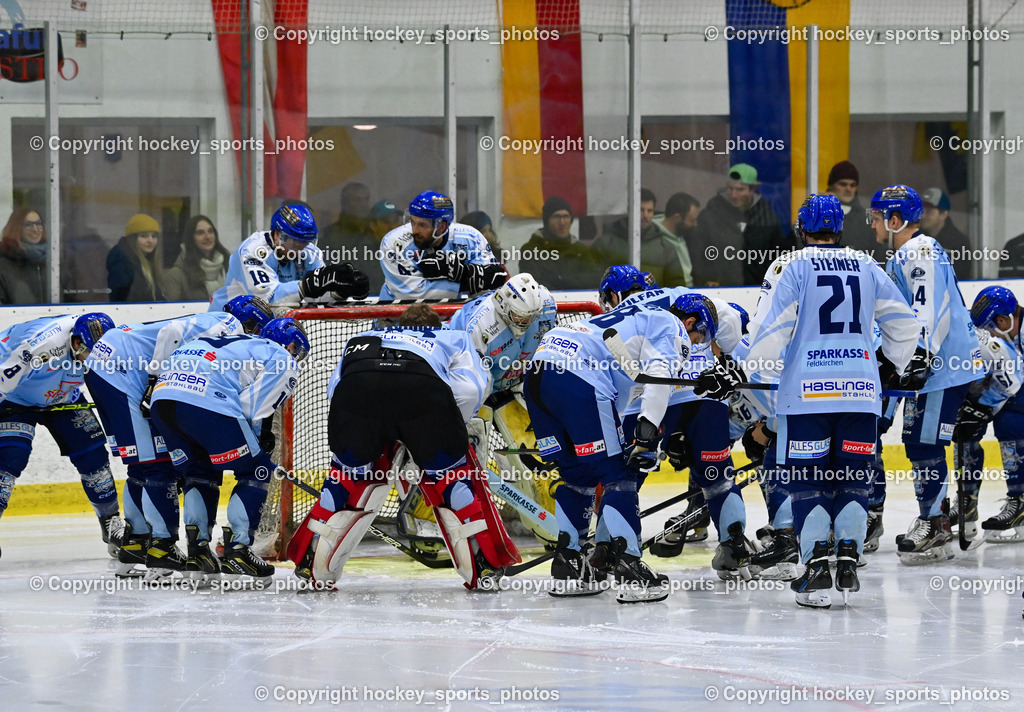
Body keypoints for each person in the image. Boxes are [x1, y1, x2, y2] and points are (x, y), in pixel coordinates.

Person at [745, 194, 920, 607]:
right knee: (853, 478)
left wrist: (759, 377)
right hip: (860, 395)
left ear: (801, 229)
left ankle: (817, 568)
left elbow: (769, 331)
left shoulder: (789, 266)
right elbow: (905, 324)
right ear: (839, 229)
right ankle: (848, 558)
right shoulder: (866, 264)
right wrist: (889, 365)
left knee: (808, 483)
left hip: (807, 397)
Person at [285, 306, 520, 590]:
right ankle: (482, 564)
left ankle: (309, 560)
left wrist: (372, 427)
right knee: (451, 478)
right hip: (422, 392)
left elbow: (336, 389)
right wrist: (448, 425)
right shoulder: (452, 336)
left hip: (357, 393)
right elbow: (472, 390)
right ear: (436, 326)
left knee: (344, 478)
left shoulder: (362, 337)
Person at [523, 294, 726, 602]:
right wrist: (647, 431)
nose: (695, 344)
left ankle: (569, 566)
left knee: (577, 476)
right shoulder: (671, 326)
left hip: (540, 371)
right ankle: (630, 568)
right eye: (699, 337)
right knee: (620, 475)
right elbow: (660, 374)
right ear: (690, 322)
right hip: (580, 376)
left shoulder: (639, 316)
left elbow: (620, 393)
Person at [82, 301, 266, 577]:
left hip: (107, 368)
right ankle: (161, 548)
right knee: (159, 466)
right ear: (250, 324)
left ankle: (135, 543)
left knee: (141, 466)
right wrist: (154, 380)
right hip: (123, 371)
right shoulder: (228, 325)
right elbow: (172, 332)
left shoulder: (216, 327)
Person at [602, 271, 752, 579]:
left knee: (623, 480)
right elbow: (733, 318)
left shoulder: (621, 313)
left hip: (648, 395)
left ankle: (608, 553)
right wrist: (727, 361)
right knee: (718, 476)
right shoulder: (680, 294)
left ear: (613, 295)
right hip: (704, 391)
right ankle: (734, 550)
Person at [868, 184, 981, 565]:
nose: (873, 224)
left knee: (923, 442)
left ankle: (935, 523)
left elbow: (929, 307)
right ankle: (929, 518)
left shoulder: (919, 251)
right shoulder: (907, 253)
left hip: (941, 366)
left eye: (876, 217)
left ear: (895, 220)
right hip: (928, 363)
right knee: (908, 438)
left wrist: (920, 356)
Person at [150, 317, 306, 581]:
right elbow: (251, 408)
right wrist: (255, 447)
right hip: (205, 403)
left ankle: (198, 552)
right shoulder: (281, 356)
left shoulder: (226, 339)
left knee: (199, 473)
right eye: (297, 352)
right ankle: (239, 551)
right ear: (290, 345)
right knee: (256, 469)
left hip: (162, 402)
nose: (296, 358)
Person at [0, 313, 124, 557]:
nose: (95, 361)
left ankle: (111, 523)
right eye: (91, 354)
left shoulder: (103, 343)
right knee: (9, 460)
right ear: (76, 342)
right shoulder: (41, 345)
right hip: (13, 397)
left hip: (65, 395)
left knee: (95, 458)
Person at [954, 287, 1024, 543]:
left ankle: (1020, 501)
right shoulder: (1001, 332)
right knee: (965, 430)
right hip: (1004, 383)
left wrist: (984, 407)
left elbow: (1014, 382)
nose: (987, 334)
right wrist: (975, 406)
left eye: (989, 328)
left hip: (1015, 389)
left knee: (1011, 424)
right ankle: (967, 501)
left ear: (1004, 321)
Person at [209, 202, 369, 312]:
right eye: (295, 242)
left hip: (268, 327)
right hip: (227, 324)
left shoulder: (309, 252)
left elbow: (318, 299)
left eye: (305, 242)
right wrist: (307, 286)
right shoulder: (252, 251)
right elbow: (268, 302)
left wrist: (341, 291)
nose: (300, 250)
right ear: (278, 235)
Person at [378, 191, 505, 300]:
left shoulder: (471, 237)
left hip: (451, 316)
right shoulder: (395, 243)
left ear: (442, 226)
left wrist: (460, 272)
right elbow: (410, 293)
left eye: (422, 225)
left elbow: (490, 284)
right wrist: (466, 279)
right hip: (397, 317)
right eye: (413, 222)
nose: (415, 230)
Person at [691, 163, 790, 287]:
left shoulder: (767, 217)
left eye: (740, 189)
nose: (734, 194)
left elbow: (778, 256)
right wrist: (705, 279)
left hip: (757, 289)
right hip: (718, 290)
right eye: (730, 188)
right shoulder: (710, 215)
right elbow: (698, 253)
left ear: (753, 189)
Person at [592, 189, 689, 288]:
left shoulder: (665, 248)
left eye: (649, 211)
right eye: (641, 210)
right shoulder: (607, 244)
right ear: (630, 210)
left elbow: (676, 285)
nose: (645, 215)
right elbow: (592, 280)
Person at [520, 196, 606, 290]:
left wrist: (561, 279)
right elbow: (531, 285)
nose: (562, 222)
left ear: (571, 220)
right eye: (556, 217)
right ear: (547, 221)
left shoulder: (581, 250)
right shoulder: (531, 250)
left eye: (566, 216)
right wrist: (571, 281)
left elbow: (595, 279)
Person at [163, 215, 231, 302]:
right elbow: (171, 309)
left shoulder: (228, 266)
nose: (207, 237)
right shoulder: (176, 275)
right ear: (191, 238)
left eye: (210, 231)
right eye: (200, 233)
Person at [825, 161, 878, 262]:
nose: (848, 189)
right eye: (843, 184)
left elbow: (879, 256)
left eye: (852, 185)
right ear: (831, 186)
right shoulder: (817, 215)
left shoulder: (866, 220)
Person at [107, 214, 165, 302]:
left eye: (154, 236)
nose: (150, 241)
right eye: (144, 236)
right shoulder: (122, 263)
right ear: (133, 239)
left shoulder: (148, 262)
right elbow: (122, 298)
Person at [919, 188, 971, 281]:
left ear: (944, 214)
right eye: (922, 211)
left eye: (929, 211)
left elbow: (960, 277)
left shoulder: (959, 242)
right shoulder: (914, 238)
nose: (923, 216)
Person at [0, 206, 47, 304]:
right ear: (16, 228)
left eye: (39, 223)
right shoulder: (4, 263)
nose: (35, 229)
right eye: (28, 225)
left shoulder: (54, 259)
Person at [651, 192, 698, 287]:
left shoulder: (686, 235)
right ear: (677, 218)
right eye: (692, 220)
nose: (695, 224)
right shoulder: (654, 241)